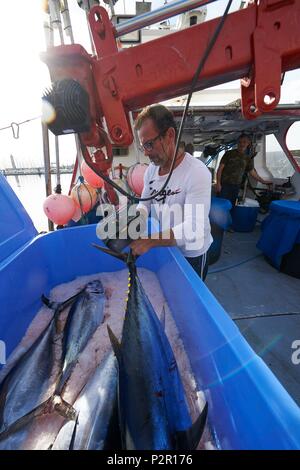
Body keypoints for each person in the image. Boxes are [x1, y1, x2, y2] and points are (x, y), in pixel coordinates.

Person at [130, 104, 212, 281]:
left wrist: (150, 241)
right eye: (143, 146)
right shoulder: (151, 170)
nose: (146, 153)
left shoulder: (196, 172)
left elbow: (194, 229)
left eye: (149, 144)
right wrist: (134, 223)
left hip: (192, 253)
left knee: (188, 301)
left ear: (170, 135)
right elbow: (144, 204)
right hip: (166, 246)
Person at [216, 134, 272, 207]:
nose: (242, 144)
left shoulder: (247, 158)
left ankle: (228, 218)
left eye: (244, 142)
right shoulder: (229, 153)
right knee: (220, 205)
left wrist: (263, 181)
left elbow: (252, 172)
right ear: (237, 143)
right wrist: (218, 183)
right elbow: (220, 169)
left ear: (248, 143)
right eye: (240, 142)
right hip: (224, 185)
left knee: (231, 205)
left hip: (236, 186)